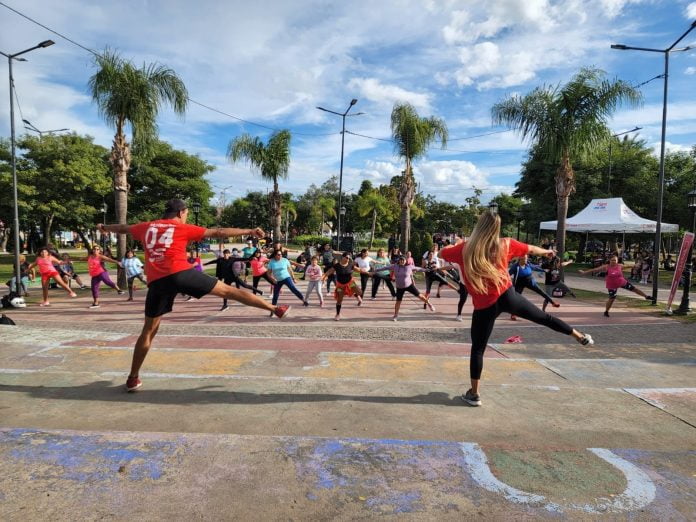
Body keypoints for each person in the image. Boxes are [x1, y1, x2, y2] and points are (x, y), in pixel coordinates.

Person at [98, 198, 290, 392]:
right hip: (181, 274)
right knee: (229, 291)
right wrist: (249, 231)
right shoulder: (181, 228)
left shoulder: (146, 227)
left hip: (157, 282)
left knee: (148, 331)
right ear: (181, 213)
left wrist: (105, 227)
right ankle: (275, 308)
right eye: (186, 213)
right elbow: (219, 232)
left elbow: (123, 228)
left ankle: (132, 378)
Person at [440, 211, 594, 407]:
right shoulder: (505, 244)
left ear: (478, 226)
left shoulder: (464, 249)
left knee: (478, 349)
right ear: (497, 228)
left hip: (484, 305)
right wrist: (546, 252)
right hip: (508, 296)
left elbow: (440, 253)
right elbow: (531, 249)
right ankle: (580, 336)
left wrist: (452, 245)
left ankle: (474, 394)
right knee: (544, 318)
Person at [579, 255, 650, 317]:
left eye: (615, 260)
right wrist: (584, 272)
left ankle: (646, 296)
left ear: (617, 261)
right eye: (612, 260)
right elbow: (595, 270)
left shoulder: (619, 266)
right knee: (612, 298)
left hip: (622, 282)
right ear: (609, 260)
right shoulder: (606, 267)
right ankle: (606, 311)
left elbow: (629, 266)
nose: (613, 261)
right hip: (611, 285)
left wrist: (636, 265)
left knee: (634, 289)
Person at [380, 255, 434, 321]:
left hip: (409, 286)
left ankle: (429, 304)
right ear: (399, 261)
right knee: (398, 302)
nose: (402, 261)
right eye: (400, 260)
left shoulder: (409, 267)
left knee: (420, 296)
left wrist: (427, 270)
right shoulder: (395, 266)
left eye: (403, 260)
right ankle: (395, 315)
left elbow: (418, 268)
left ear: (406, 261)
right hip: (399, 287)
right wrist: (376, 270)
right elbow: (385, 268)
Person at [508, 254, 559, 320]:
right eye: (525, 259)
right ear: (520, 259)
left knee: (541, 291)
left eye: (526, 258)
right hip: (519, 283)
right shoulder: (515, 266)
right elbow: (508, 274)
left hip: (530, 281)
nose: (526, 260)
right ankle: (513, 314)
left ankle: (553, 302)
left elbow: (535, 267)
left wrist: (544, 270)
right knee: (516, 298)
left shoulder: (528, 264)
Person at [322, 252, 363, 320]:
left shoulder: (350, 265)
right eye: (347, 257)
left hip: (350, 283)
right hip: (340, 285)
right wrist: (324, 276)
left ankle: (355, 294)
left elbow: (359, 270)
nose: (348, 259)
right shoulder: (337, 265)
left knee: (360, 293)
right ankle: (337, 314)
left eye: (349, 258)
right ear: (342, 257)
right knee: (339, 300)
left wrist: (367, 272)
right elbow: (329, 271)